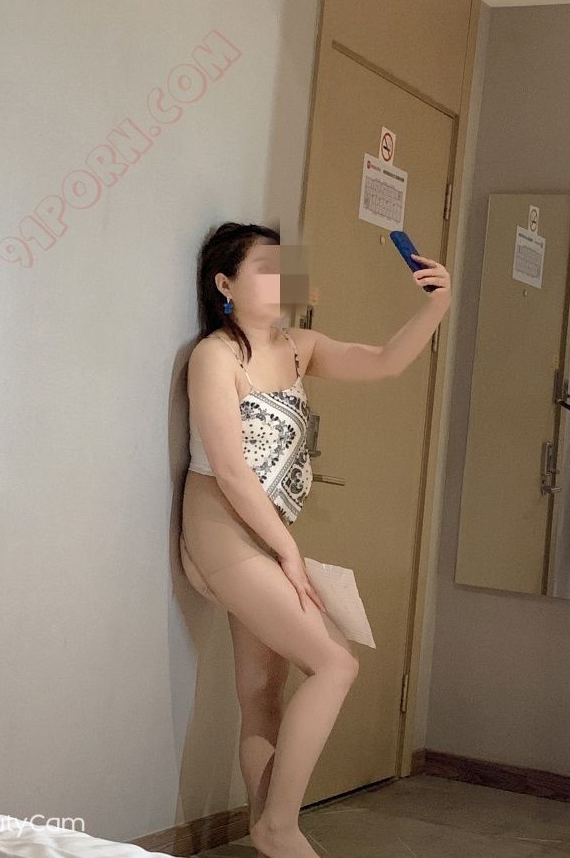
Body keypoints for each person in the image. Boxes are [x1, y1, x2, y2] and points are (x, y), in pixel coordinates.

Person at [179, 221, 451, 858]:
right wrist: (289, 553)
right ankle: (279, 828)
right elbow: (230, 471)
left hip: (268, 531)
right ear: (225, 285)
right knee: (335, 663)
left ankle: (266, 831)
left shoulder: (299, 348)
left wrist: (438, 304)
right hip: (221, 529)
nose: (284, 278)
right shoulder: (215, 356)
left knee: (261, 693)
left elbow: (385, 362)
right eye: (267, 268)